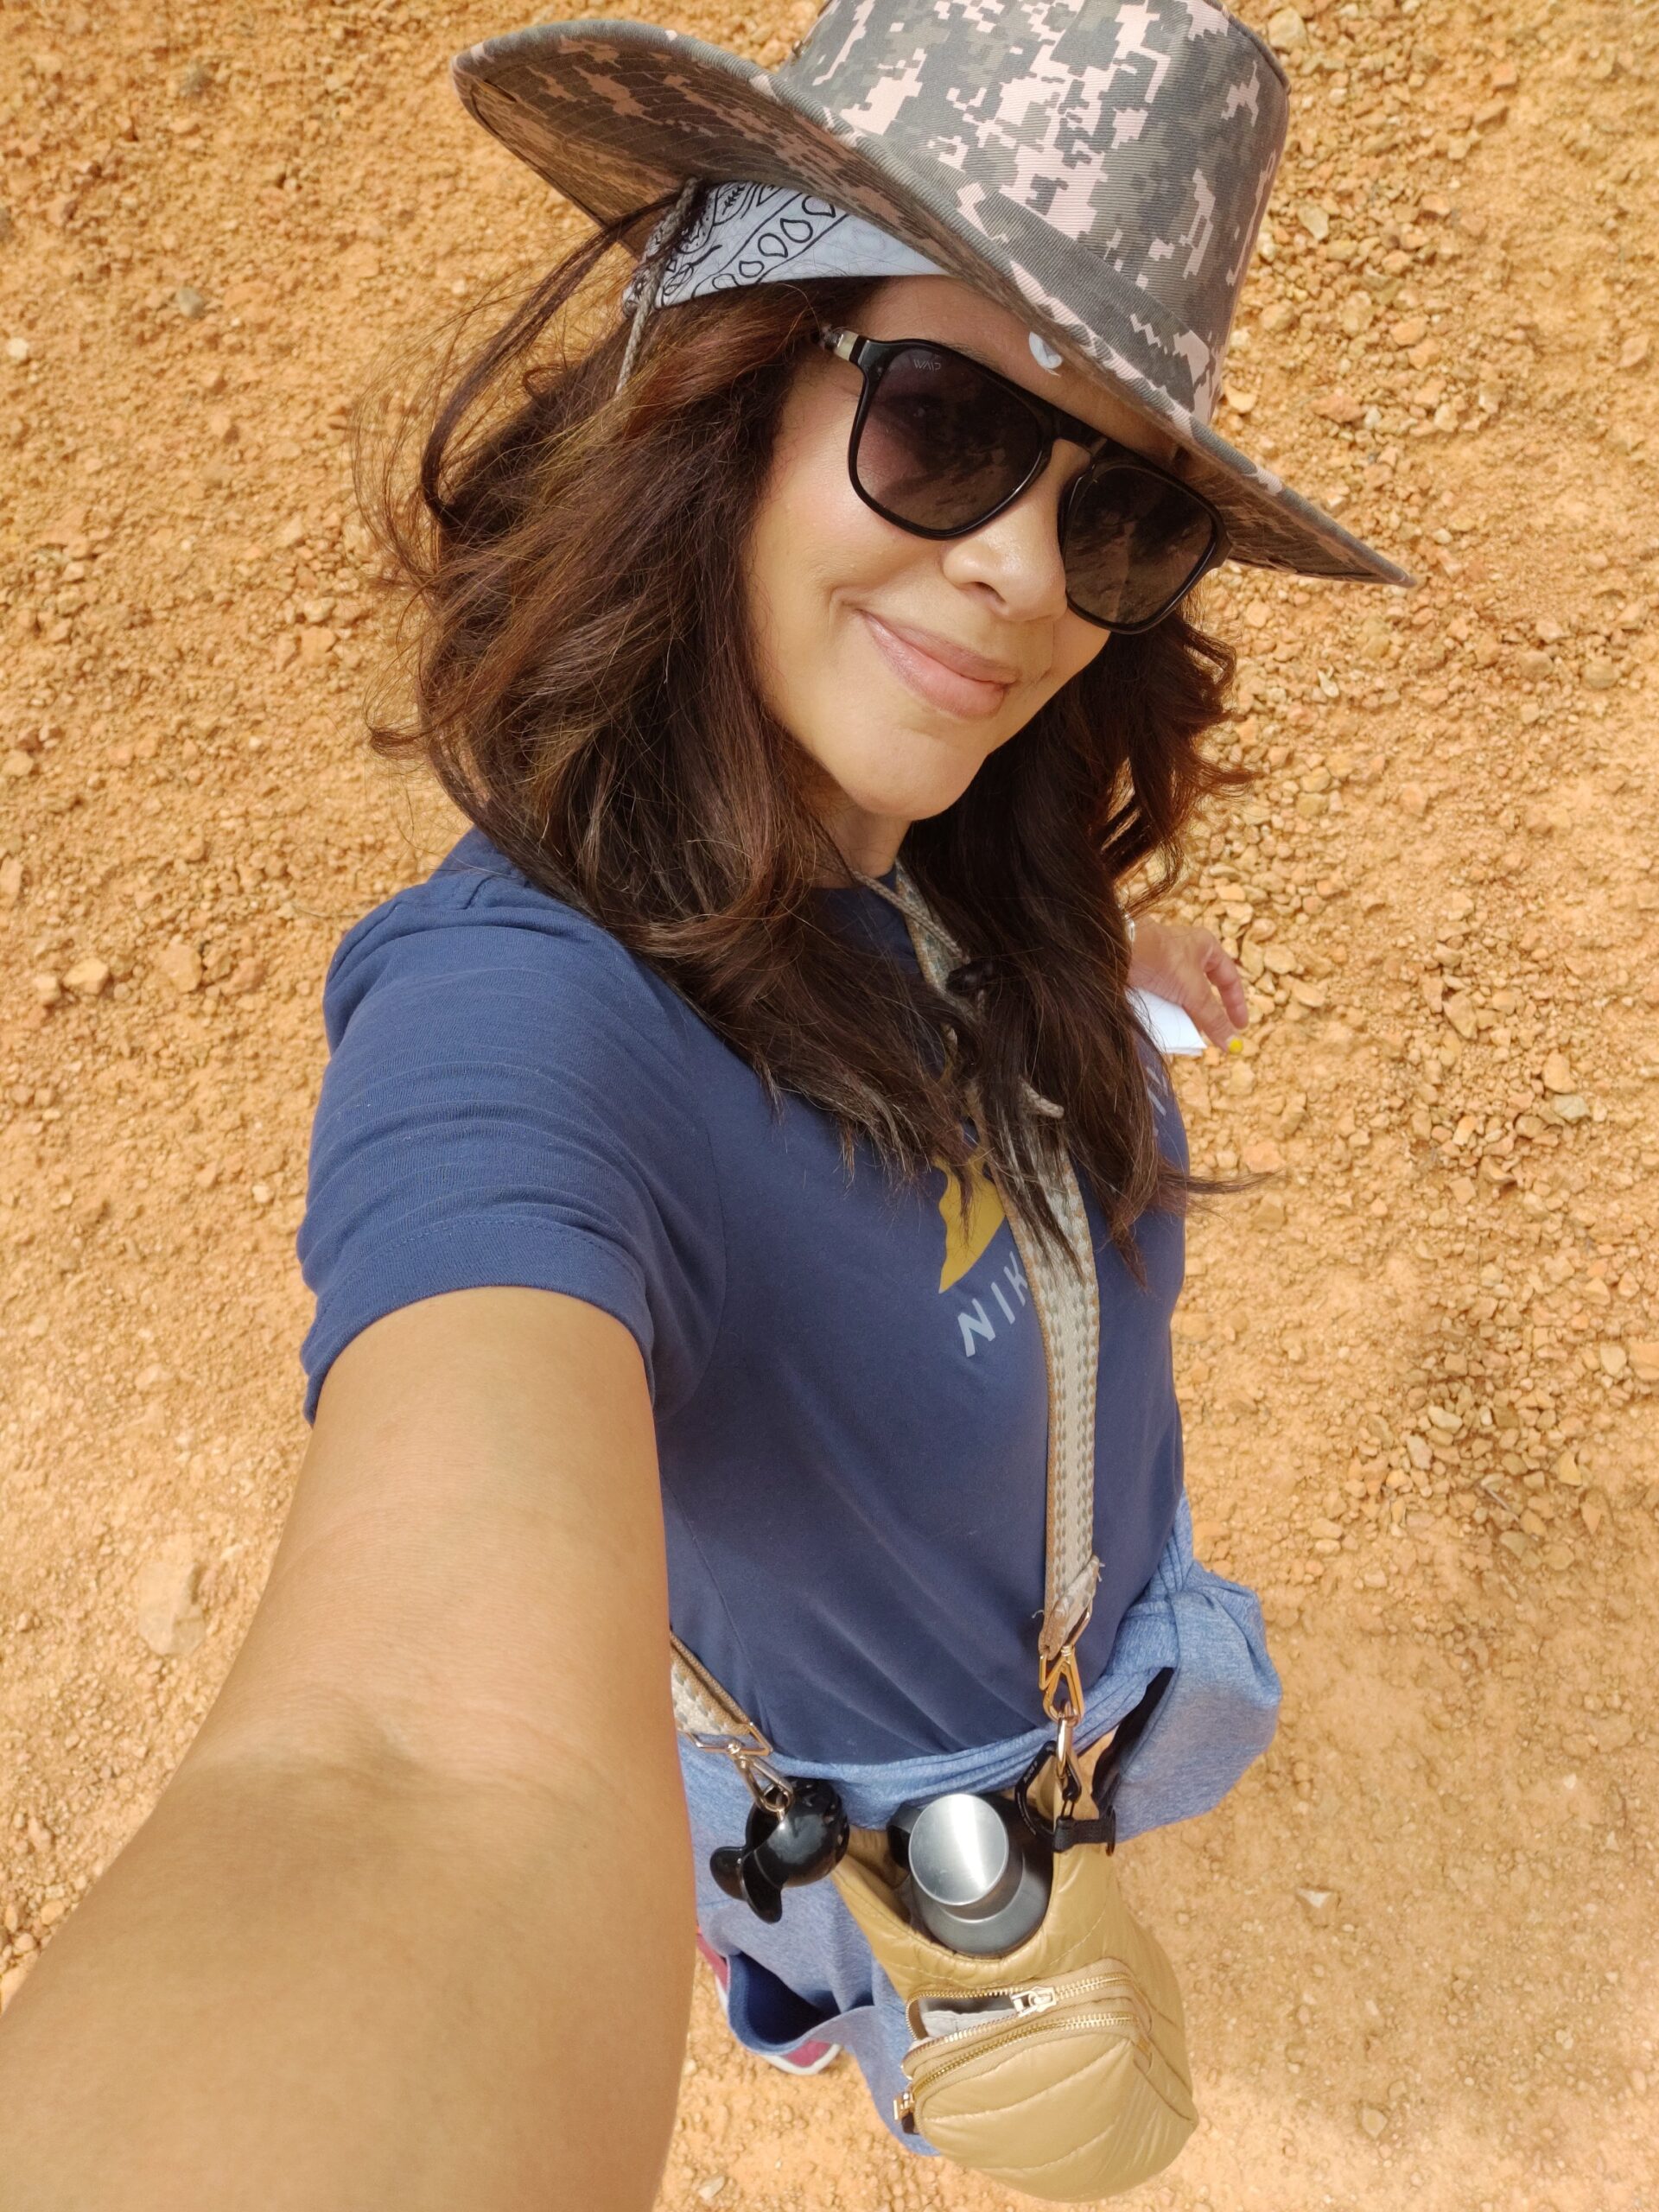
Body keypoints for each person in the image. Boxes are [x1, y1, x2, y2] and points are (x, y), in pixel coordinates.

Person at [0, 1, 1409, 2202]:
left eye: (1118, 505)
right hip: (907, 1782)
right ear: (733, 380)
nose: (1028, 580)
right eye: (942, 429)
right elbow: (407, 1768)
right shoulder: (521, 1026)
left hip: (1066, 1660)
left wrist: (1088, 966)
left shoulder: (925, 810)